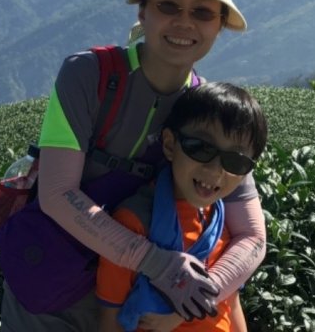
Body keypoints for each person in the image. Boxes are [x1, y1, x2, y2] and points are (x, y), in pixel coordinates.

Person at [0, 0, 268, 331]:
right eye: (168, 6)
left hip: (135, 304)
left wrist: (197, 294)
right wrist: (160, 266)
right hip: (51, 290)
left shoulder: (208, 111)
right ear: (143, 10)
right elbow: (57, 194)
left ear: (219, 24)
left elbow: (253, 237)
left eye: (203, 12)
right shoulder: (88, 75)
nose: (185, 23)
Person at [96, 82, 269, 332]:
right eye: (200, 148)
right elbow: (110, 319)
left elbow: (230, 304)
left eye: (235, 161)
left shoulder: (221, 219)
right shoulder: (133, 224)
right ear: (169, 145)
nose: (215, 170)